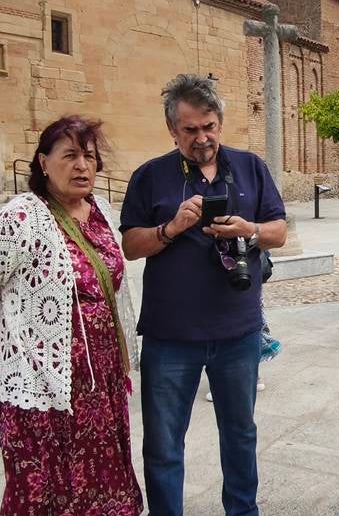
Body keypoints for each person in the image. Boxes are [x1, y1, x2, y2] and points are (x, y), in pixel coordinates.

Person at [0, 116, 143, 515]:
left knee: (97, 485)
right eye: (69, 155)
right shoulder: (22, 217)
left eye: (89, 156)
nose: (82, 166)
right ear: (42, 162)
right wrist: (16, 321)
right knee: (46, 491)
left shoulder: (101, 210)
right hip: (43, 386)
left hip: (101, 384)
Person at [120, 74, 287, 516]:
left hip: (238, 332)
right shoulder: (149, 176)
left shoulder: (250, 166)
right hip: (170, 336)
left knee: (240, 435)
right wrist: (170, 228)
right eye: (190, 130)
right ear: (173, 130)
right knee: (163, 445)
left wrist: (248, 229)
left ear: (220, 123)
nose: (202, 138)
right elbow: (131, 247)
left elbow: (279, 231)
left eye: (209, 126)